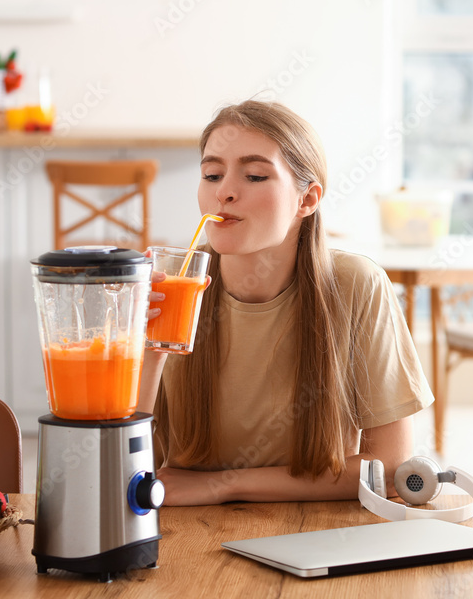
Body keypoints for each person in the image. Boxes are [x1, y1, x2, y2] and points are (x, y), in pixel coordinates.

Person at [137, 100, 433, 506]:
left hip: (317, 528)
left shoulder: (357, 286)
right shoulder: (171, 290)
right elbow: (124, 476)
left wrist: (224, 485)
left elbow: (389, 468)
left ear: (306, 200)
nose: (224, 191)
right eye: (211, 174)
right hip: (187, 532)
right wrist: (146, 358)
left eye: (255, 175)